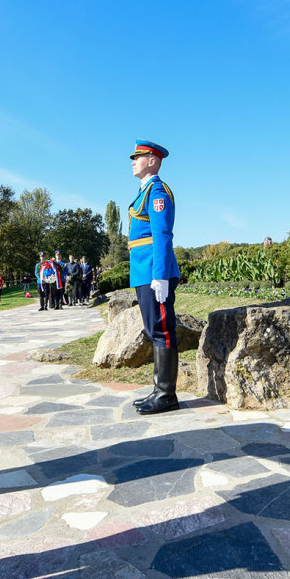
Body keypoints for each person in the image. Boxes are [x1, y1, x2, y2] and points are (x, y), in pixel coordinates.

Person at [127, 139, 181, 414]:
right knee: (153, 330)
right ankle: (159, 389)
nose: (133, 161)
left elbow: (161, 235)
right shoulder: (144, 192)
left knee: (162, 330)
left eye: (138, 156)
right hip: (142, 271)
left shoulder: (157, 192)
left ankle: (167, 395)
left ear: (153, 160)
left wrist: (160, 276)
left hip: (153, 272)